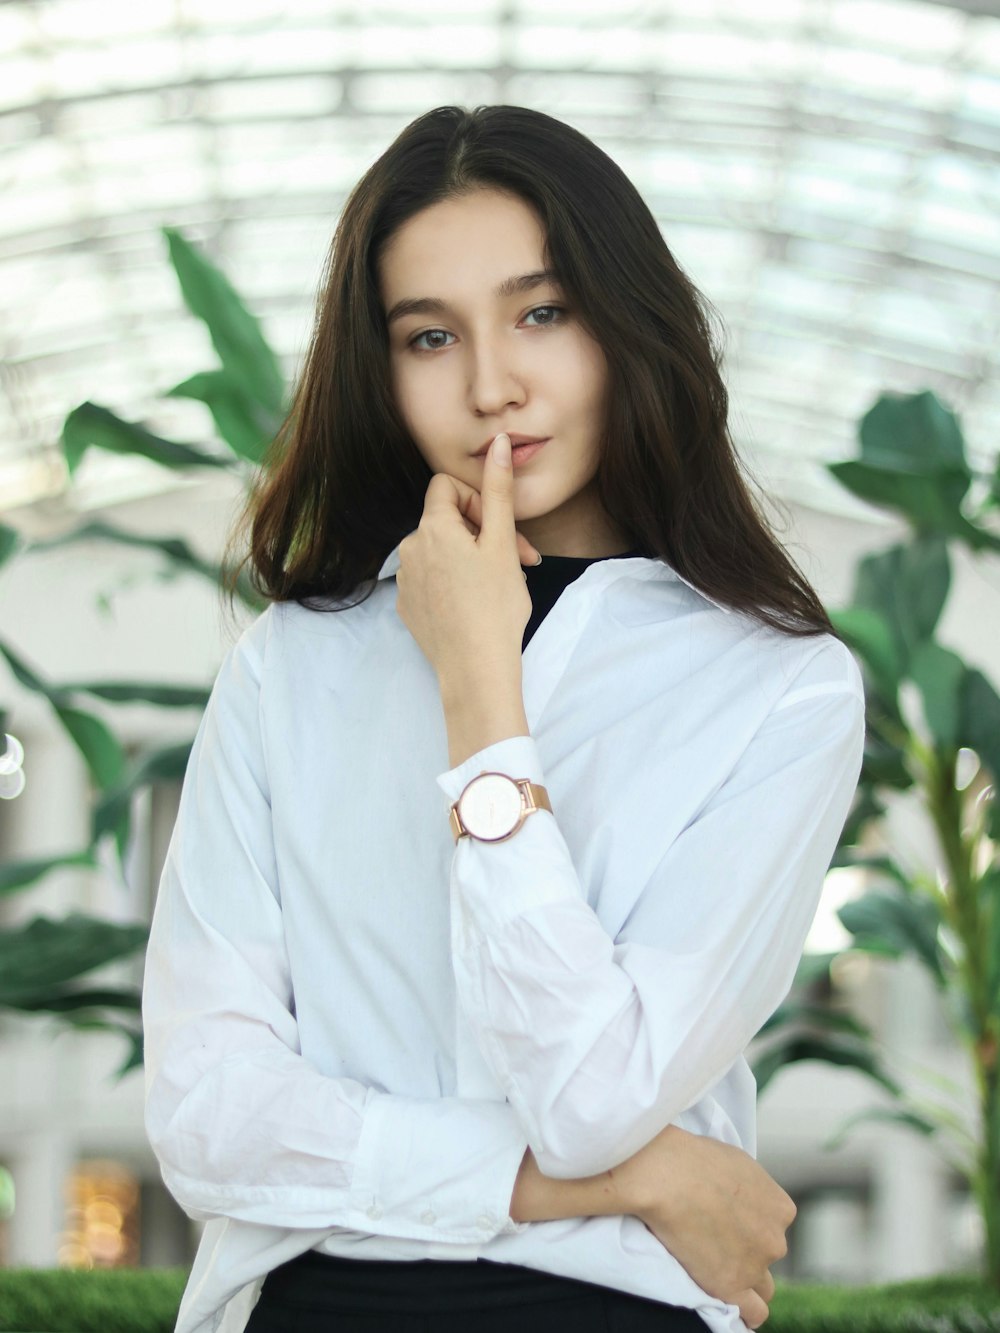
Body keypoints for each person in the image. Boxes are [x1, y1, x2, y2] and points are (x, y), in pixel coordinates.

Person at [141, 104, 866, 1333]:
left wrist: (482, 696)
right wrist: (628, 1180)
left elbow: (590, 1090)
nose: (491, 385)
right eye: (430, 336)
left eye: (542, 312)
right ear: (382, 370)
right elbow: (211, 1120)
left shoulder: (778, 686)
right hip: (316, 1309)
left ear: (627, 322)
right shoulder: (290, 666)